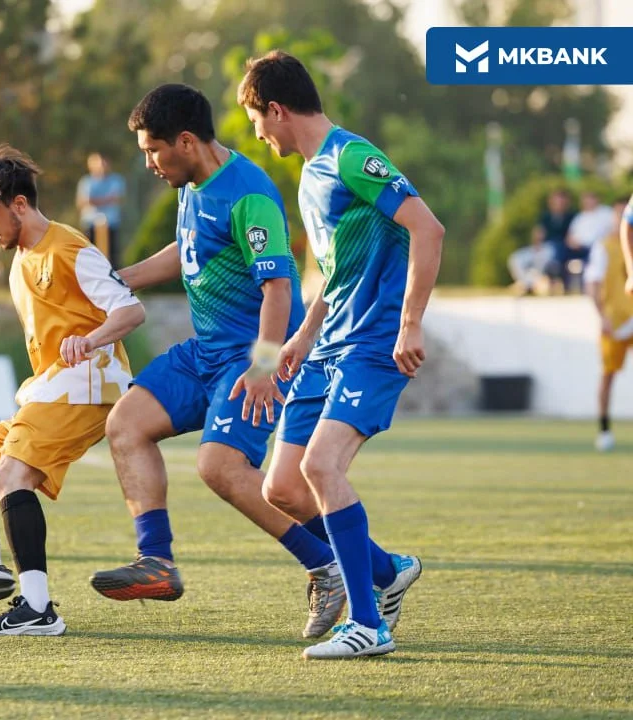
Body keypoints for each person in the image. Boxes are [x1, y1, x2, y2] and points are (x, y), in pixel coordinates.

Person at [87, 83, 355, 641]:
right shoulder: (192, 182)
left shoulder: (248, 194)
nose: (150, 163)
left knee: (219, 468)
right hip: (204, 352)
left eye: (153, 150)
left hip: (253, 353)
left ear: (186, 141)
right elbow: (187, 251)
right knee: (125, 425)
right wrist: (122, 277)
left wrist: (262, 368)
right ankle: (156, 561)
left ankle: (327, 567)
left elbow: (280, 290)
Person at [238, 50, 444, 659]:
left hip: (374, 341)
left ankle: (368, 625)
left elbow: (427, 228)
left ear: (276, 109)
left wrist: (410, 323)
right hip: (327, 344)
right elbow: (336, 270)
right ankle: (388, 570)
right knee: (281, 487)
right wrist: (301, 336)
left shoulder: (352, 157)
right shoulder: (308, 175)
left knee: (322, 468)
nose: (256, 133)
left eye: (255, 119)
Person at [0, 141, 145, 636]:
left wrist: (90, 339)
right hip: (48, 391)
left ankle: (37, 609)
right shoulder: (20, 260)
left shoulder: (71, 249)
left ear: (19, 205)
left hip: (89, 389)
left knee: (12, 474)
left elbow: (131, 310)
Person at [585, 199, 633, 452]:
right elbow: (592, 283)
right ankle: (604, 429)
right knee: (608, 375)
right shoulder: (604, 247)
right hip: (616, 319)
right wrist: (601, 315)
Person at [509, 190, 573, 296]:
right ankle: (528, 283)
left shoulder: (571, 217)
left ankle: (535, 283)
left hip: (556, 249)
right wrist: (536, 244)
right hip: (542, 248)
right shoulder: (545, 217)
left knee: (543, 258)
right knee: (516, 258)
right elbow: (538, 233)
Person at [76, 152, 126, 262]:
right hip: (90, 224)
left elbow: (117, 198)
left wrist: (94, 201)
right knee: (90, 256)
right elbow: (83, 201)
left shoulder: (116, 180)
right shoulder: (86, 181)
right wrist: (106, 199)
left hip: (111, 223)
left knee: (112, 257)